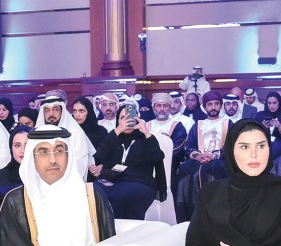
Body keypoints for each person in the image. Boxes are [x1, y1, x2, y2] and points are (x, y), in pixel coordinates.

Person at [92, 107, 165, 219]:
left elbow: (157, 158)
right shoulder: (113, 138)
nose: (127, 121)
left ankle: (124, 230)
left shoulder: (146, 139)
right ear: (117, 121)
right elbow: (98, 157)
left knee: (125, 194)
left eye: (130, 118)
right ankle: (102, 229)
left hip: (140, 181)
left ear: (137, 119)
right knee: (94, 191)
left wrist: (146, 133)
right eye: (122, 118)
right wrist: (117, 131)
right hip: (112, 178)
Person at [172, 91, 230, 222]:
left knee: (210, 169)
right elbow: (187, 146)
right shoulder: (198, 124)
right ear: (204, 107)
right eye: (210, 104)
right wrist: (198, 156)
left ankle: (212, 214)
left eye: (216, 104)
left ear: (220, 106)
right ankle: (187, 216)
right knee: (184, 169)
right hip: (199, 159)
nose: (213, 107)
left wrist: (213, 156)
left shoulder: (228, 123)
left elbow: (231, 146)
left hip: (220, 160)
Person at [42, 96, 96, 171]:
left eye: (56, 109)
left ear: (62, 112)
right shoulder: (37, 135)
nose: (51, 114)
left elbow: (80, 163)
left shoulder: (75, 133)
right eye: (47, 110)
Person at [147, 92, 188, 168]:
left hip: (170, 161)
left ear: (169, 107)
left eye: (165, 106)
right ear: (153, 108)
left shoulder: (177, 125)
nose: (162, 109)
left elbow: (178, 148)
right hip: (148, 161)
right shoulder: (146, 125)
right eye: (158, 106)